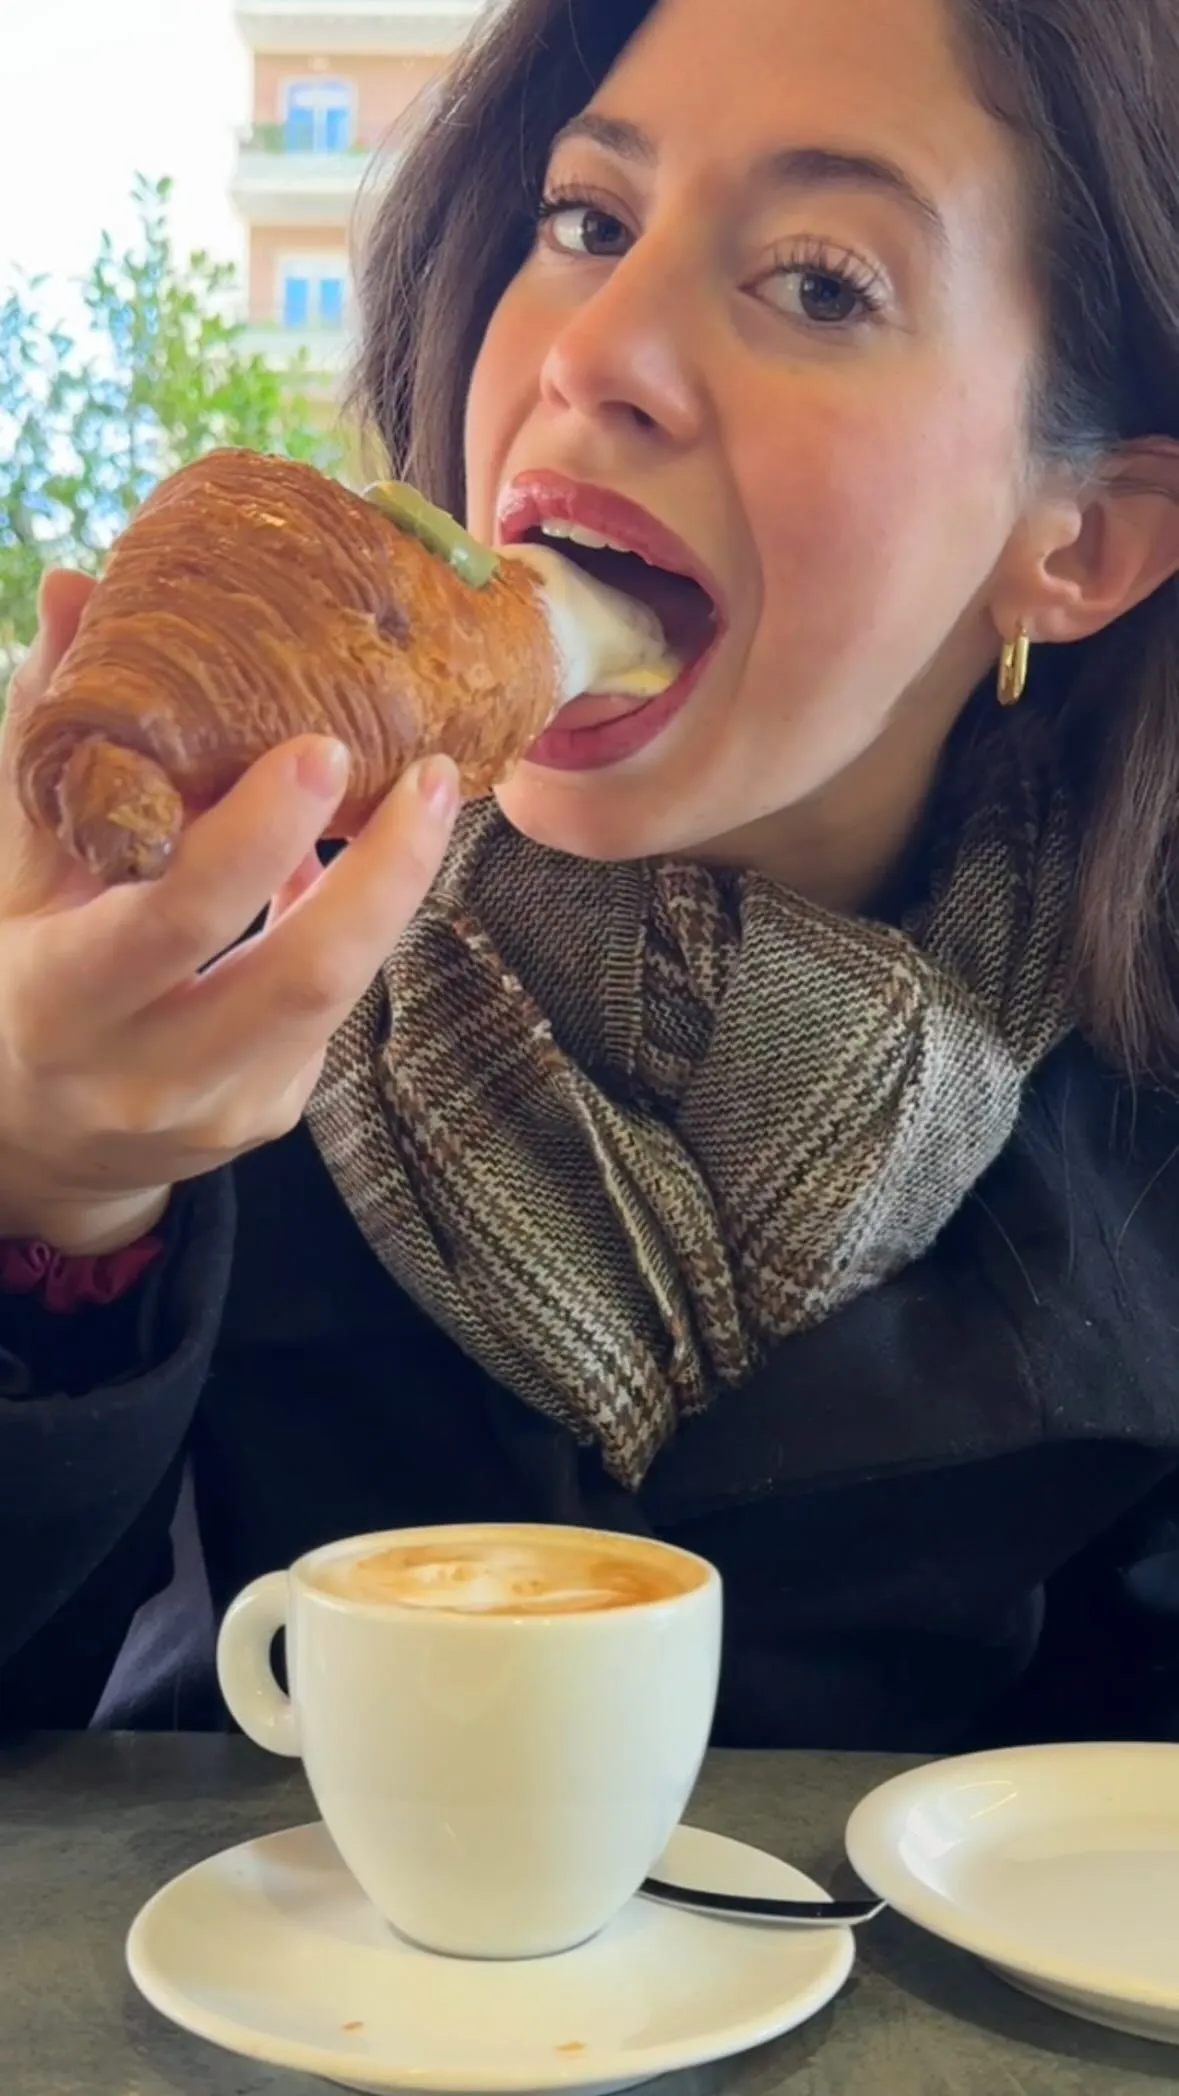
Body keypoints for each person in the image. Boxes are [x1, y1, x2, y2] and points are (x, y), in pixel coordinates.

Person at [2, 0, 1178, 1752]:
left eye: (818, 281)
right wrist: (53, 1191)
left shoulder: (1136, 1136)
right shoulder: (193, 992)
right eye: (587, 222)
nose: (596, 348)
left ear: (1075, 544)